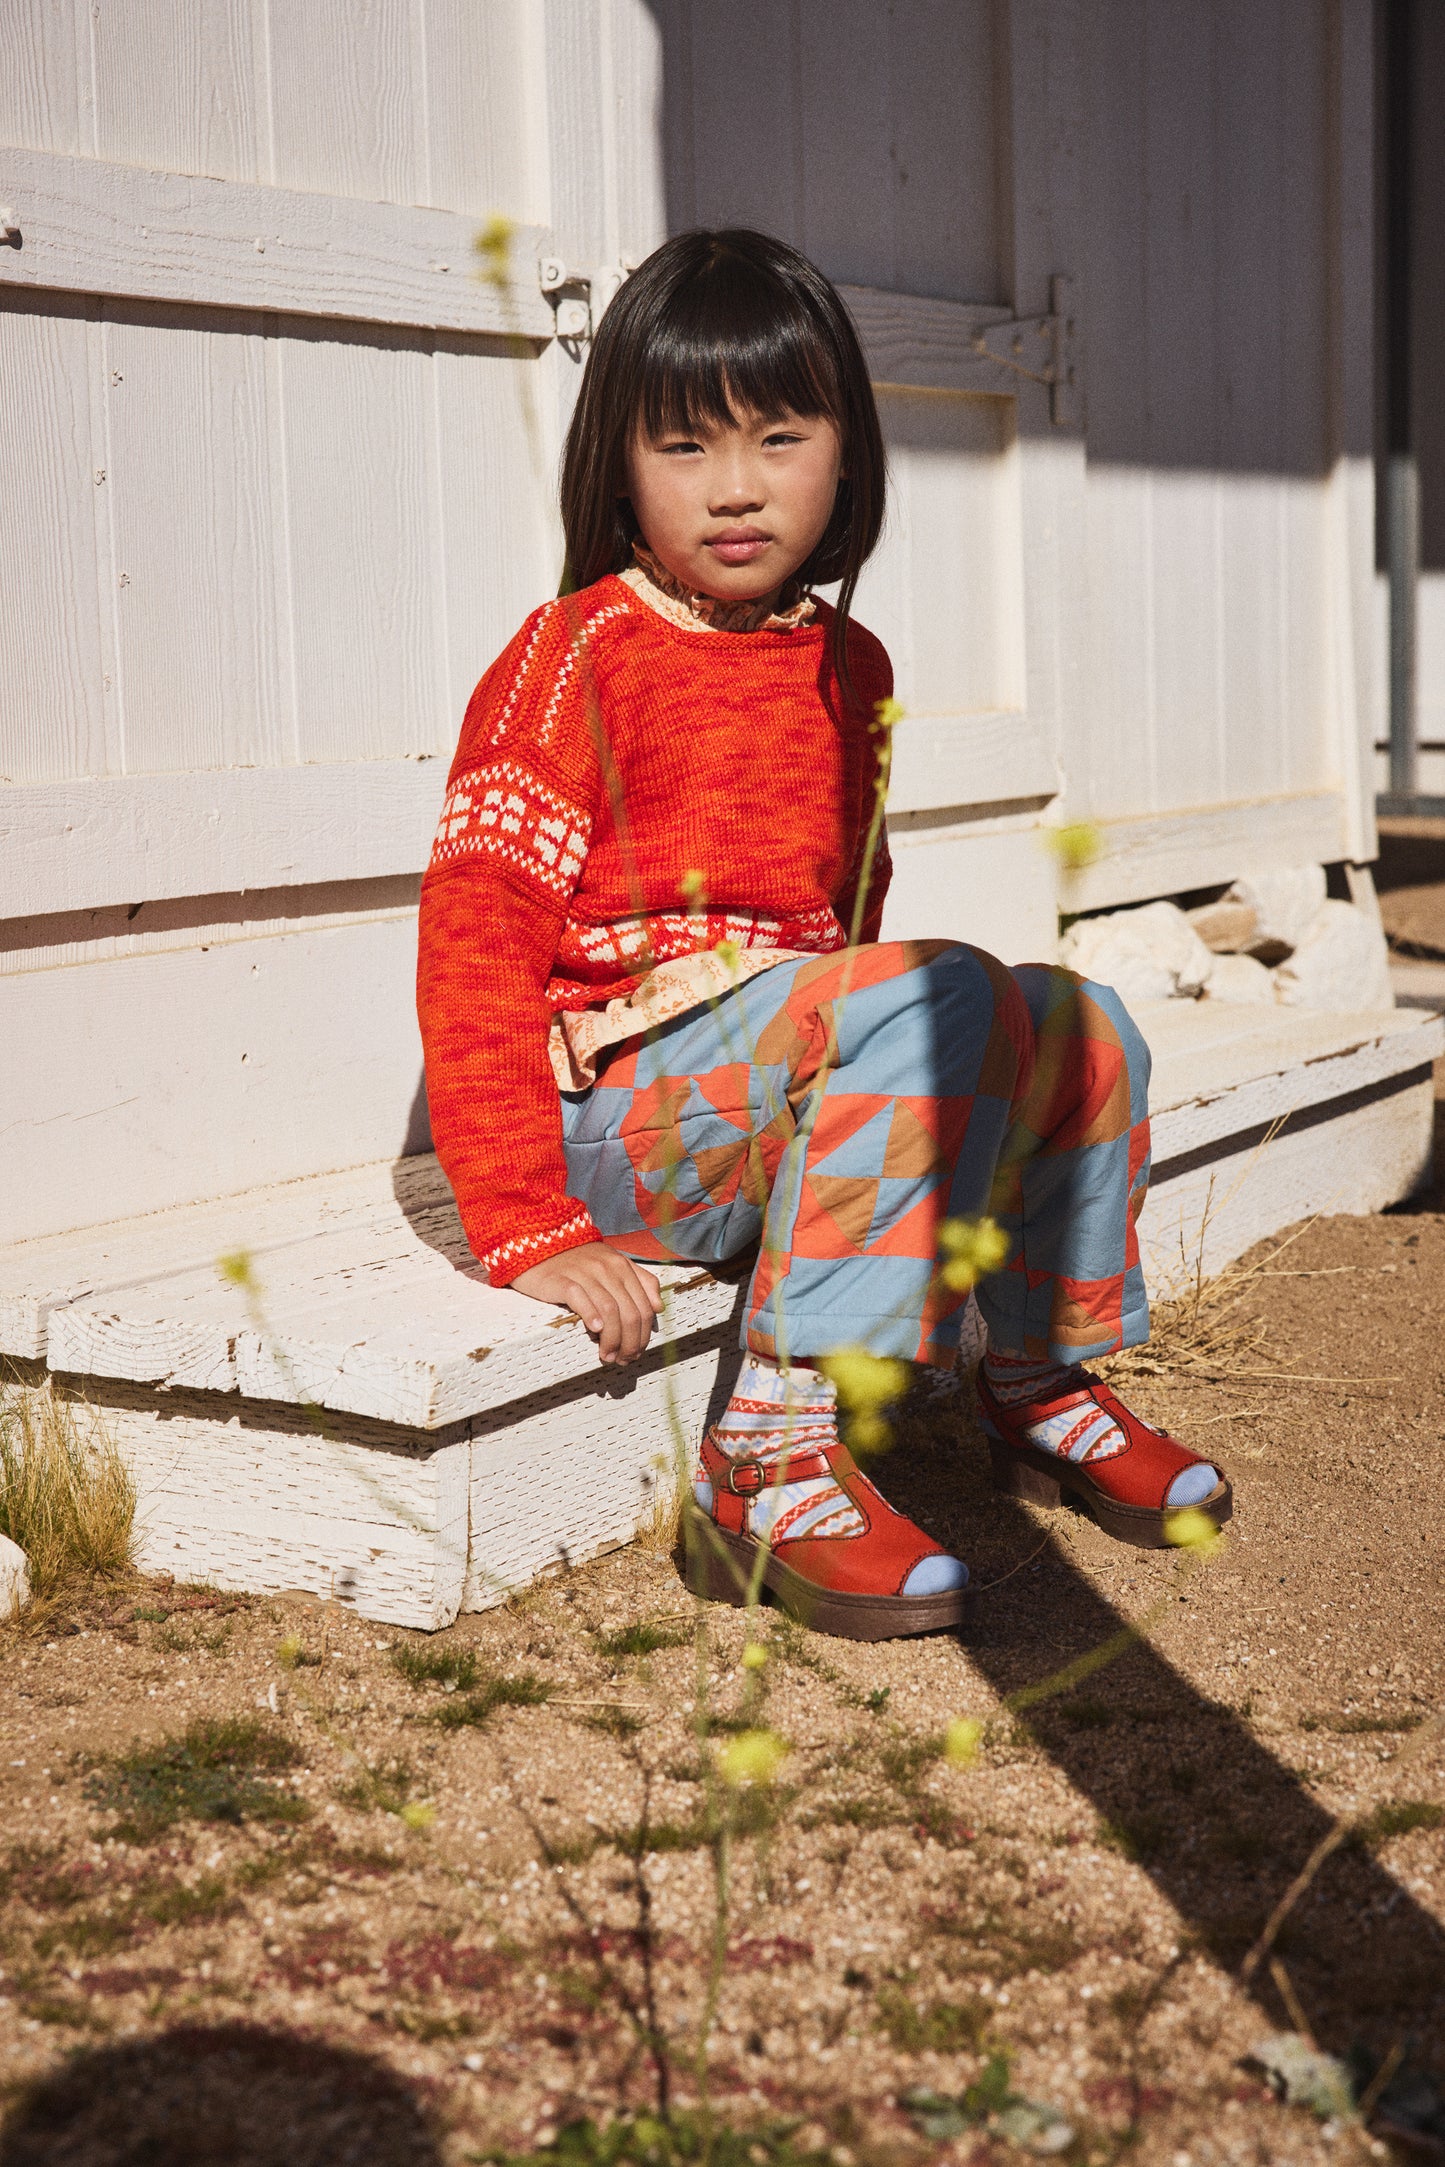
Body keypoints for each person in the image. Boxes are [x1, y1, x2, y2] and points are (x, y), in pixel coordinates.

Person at [416, 228, 1231, 1643]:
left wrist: (891, 1127)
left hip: (764, 1107)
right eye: (683, 446)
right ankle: (766, 1457)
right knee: (932, 995)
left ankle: (1032, 1375)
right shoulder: (574, 659)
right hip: (623, 1124)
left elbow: (847, 926)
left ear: (845, 455)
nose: (734, 487)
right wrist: (526, 1225)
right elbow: (473, 948)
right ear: (617, 464)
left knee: (1080, 1021)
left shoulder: (853, 670)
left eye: (779, 438)